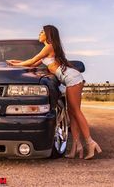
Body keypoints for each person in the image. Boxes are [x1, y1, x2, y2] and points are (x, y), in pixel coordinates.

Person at [6, 25, 102, 159]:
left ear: (48, 34)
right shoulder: (47, 49)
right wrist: (14, 62)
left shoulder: (49, 46)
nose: (39, 34)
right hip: (70, 79)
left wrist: (15, 65)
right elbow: (32, 64)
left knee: (76, 112)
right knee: (71, 113)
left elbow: (32, 60)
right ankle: (76, 146)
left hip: (72, 78)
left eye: (41, 32)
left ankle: (90, 143)